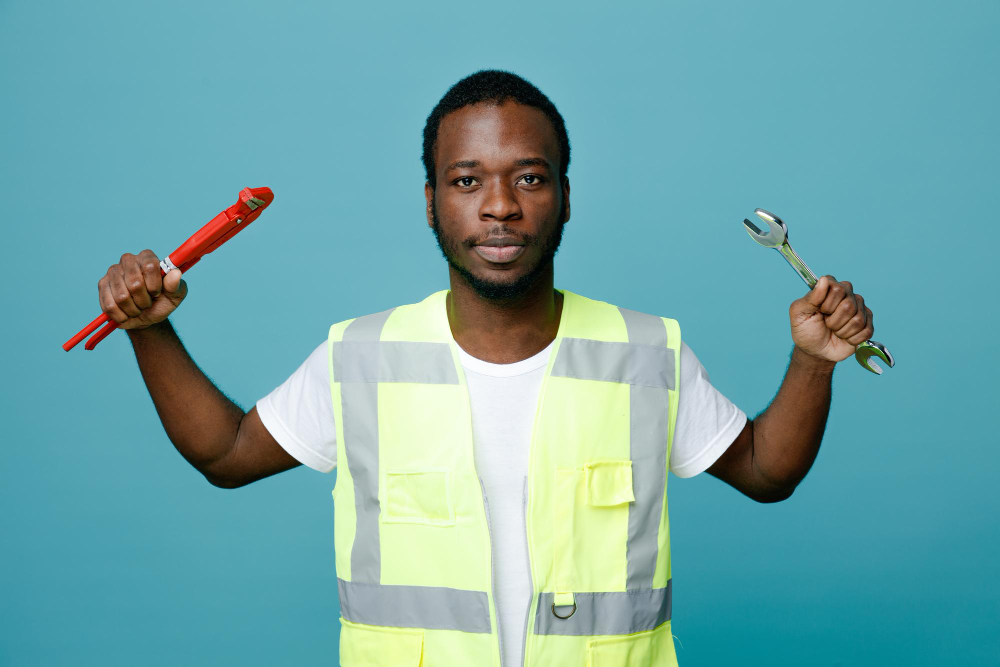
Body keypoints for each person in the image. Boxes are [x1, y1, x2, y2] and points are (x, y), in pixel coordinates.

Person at [100, 70, 876, 666]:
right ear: (431, 201)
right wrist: (149, 332)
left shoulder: (645, 352)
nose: (499, 205)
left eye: (529, 177)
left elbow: (767, 471)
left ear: (565, 197)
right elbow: (227, 453)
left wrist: (814, 363)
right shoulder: (360, 357)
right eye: (467, 180)